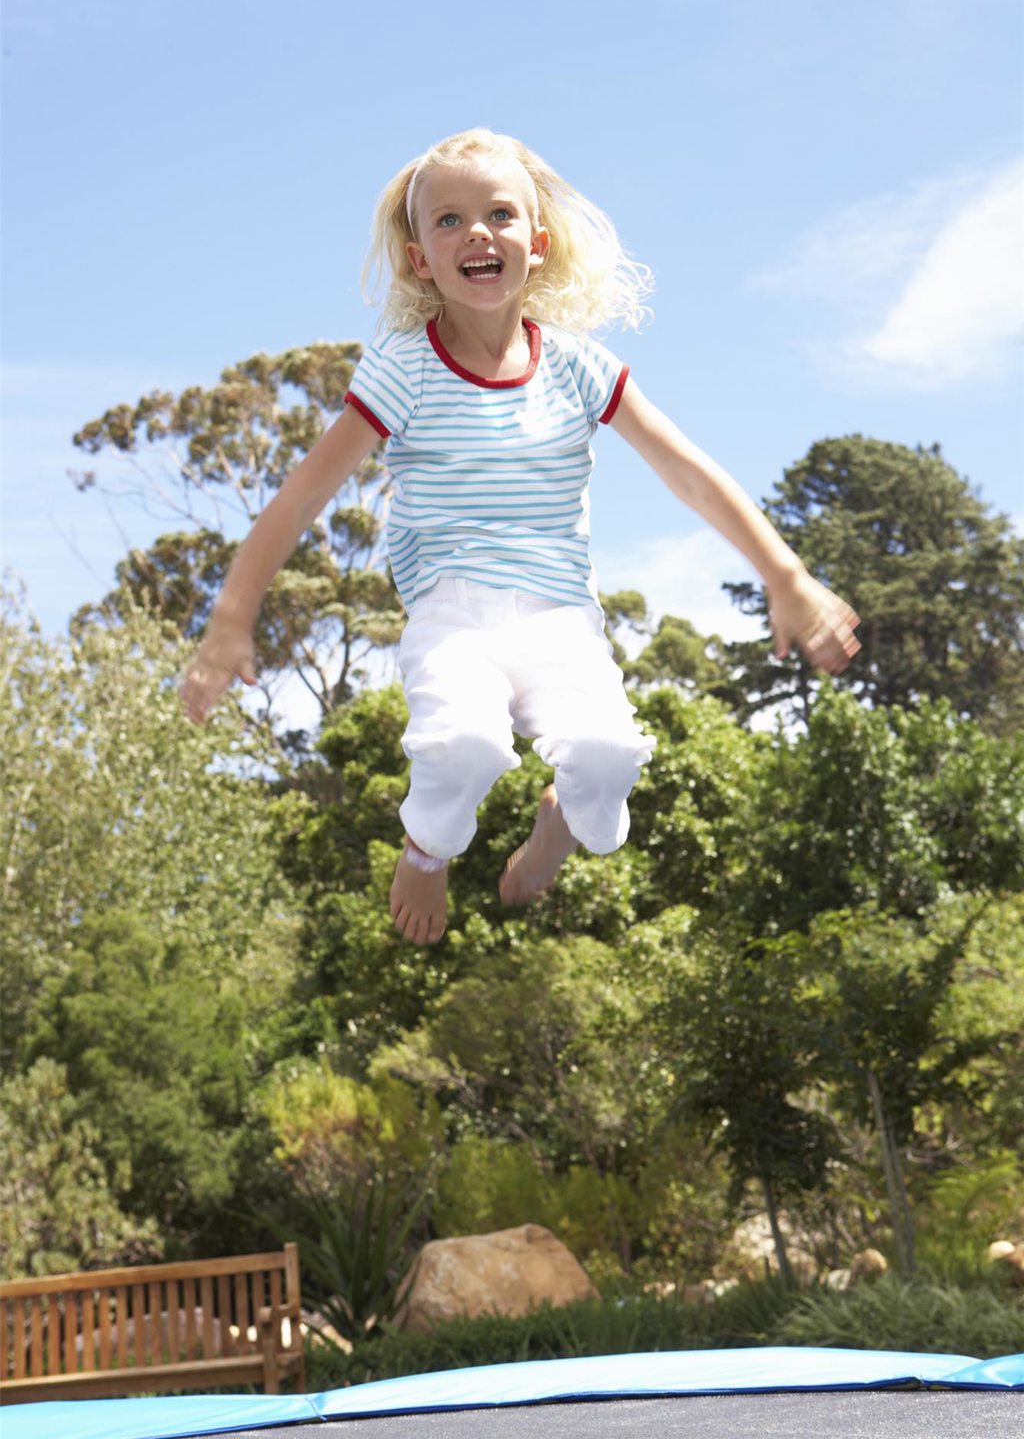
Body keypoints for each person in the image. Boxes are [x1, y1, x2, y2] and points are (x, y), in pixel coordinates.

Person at [180, 128, 860, 947]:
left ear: (536, 243)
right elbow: (298, 500)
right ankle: (426, 853)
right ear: (420, 260)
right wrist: (230, 620)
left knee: (608, 762)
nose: (477, 232)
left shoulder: (579, 366)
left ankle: (559, 823)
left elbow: (688, 473)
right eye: (449, 220)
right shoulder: (406, 369)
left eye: (499, 214)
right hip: (452, 615)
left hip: (559, 617)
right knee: (462, 747)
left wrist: (785, 575)